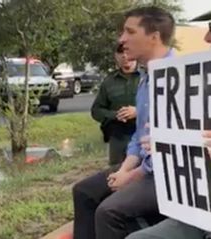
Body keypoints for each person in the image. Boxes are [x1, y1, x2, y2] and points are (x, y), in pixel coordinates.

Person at [72, 6, 175, 239]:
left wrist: (132, 176)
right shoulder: (145, 78)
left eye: (130, 32)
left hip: (167, 174)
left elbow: (170, 150)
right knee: (84, 191)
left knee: (108, 212)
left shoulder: (178, 77)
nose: (122, 39)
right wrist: (125, 168)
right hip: (143, 166)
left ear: (154, 36)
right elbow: (139, 138)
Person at [125, 10, 211, 239]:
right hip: (197, 210)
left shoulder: (181, 75)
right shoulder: (186, 80)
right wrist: (173, 144)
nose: (206, 39)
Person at [91, 43, 139, 165]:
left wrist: (138, 111)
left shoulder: (147, 76)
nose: (125, 56)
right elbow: (96, 110)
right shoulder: (109, 81)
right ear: (116, 56)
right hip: (118, 136)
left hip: (142, 135)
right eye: (121, 53)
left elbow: (162, 106)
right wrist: (115, 115)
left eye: (128, 51)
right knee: (116, 173)